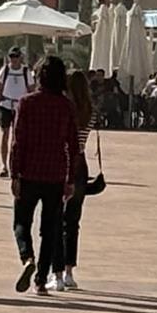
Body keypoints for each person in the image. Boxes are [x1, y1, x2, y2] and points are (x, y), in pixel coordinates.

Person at [9, 54, 78, 297]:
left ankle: (27, 257)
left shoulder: (26, 102)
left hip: (29, 172)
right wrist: (70, 179)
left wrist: (14, 173)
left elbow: (18, 141)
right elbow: (74, 146)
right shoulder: (66, 106)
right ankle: (40, 280)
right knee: (50, 230)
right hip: (55, 174)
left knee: (21, 222)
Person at [58, 68, 99, 291]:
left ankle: (56, 272)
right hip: (80, 164)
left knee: (55, 218)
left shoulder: (63, 109)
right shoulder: (90, 111)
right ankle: (69, 271)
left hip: (60, 162)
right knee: (73, 221)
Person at [0, 46, 35, 178]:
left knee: (18, 138)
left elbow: (31, 90)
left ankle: (16, 165)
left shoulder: (26, 71)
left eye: (16, 56)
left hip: (20, 107)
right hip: (6, 105)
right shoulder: (5, 70)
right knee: (5, 135)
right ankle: (5, 166)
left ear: (20, 57)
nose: (14, 59)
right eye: (11, 57)